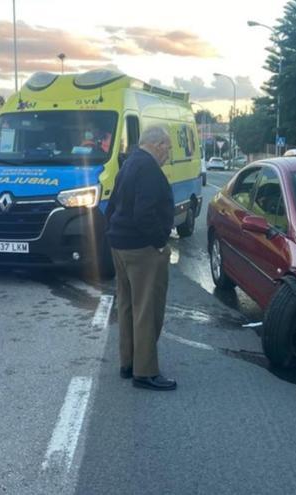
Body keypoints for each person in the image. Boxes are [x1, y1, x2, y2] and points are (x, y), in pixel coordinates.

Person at [105, 125, 176, 391]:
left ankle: (128, 363)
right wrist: (159, 243)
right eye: (167, 148)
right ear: (157, 145)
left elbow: (112, 206)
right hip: (142, 249)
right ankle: (145, 372)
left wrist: (111, 234)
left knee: (126, 306)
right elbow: (144, 213)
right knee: (147, 309)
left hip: (120, 245)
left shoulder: (129, 163)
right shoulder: (148, 169)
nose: (168, 154)